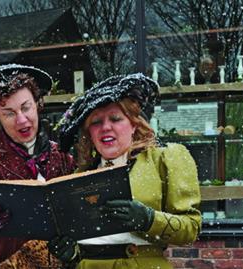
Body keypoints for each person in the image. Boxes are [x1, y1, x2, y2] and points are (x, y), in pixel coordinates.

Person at [50, 73, 202, 268]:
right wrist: (71, 254)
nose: (105, 127)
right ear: (89, 133)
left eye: (115, 118)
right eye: (96, 122)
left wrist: (148, 219)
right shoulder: (79, 176)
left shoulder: (164, 159)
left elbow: (191, 228)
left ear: (133, 125)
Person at [0, 62, 75, 268]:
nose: (22, 120)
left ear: (37, 104)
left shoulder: (63, 157)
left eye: (26, 107)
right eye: (9, 113)